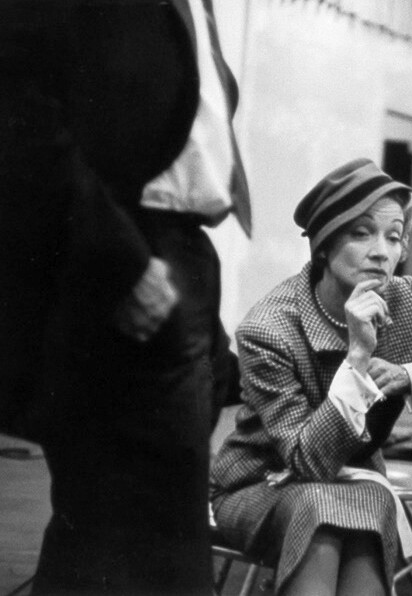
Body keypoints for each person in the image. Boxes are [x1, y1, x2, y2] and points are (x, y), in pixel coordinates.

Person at [0, 1, 250, 593]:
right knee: (145, 544)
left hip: (179, 252)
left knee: (124, 537)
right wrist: (119, 264)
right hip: (120, 251)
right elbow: (19, 111)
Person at [210, 158, 412, 596]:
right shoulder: (269, 328)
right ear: (323, 245)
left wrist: (411, 373)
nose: (381, 251)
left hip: (353, 479)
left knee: (366, 501)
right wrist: (358, 356)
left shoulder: (409, 302)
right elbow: (308, 462)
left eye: (393, 236)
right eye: (361, 233)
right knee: (321, 506)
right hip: (261, 481)